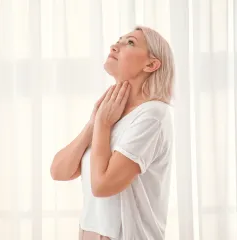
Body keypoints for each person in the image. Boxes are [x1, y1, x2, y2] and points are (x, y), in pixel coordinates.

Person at [50, 26, 175, 240]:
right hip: (89, 233)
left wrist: (103, 125)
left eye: (131, 42)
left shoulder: (153, 115)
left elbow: (102, 185)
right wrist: (94, 124)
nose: (115, 45)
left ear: (151, 64)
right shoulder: (111, 114)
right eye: (119, 40)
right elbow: (59, 171)